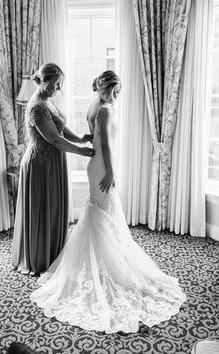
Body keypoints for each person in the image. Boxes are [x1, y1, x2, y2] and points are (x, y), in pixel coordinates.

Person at [30, 70, 186, 333]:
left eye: (118, 91)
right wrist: (112, 171)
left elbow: (97, 138)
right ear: (103, 87)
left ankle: (103, 258)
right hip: (102, 166)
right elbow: (105, 146)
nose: (115, 95)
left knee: (102, 214)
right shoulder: (104, 110)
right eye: (113, 90)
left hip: (96, 166)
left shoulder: (95, 105)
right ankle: (108, 265)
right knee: (105, 213)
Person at [12, 63, 94, 275]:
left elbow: (61, 127)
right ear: (43, 79)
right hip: (41, 164)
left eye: (60, 85)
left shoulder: (47, 102)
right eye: (56, 84)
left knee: (53, 207)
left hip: (53, 162)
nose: (58, 89)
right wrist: (81, 151)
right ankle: (40, 258)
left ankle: (52, 251)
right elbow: (54, 139)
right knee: (43, 209)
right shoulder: (37, 106)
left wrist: (79, 139)